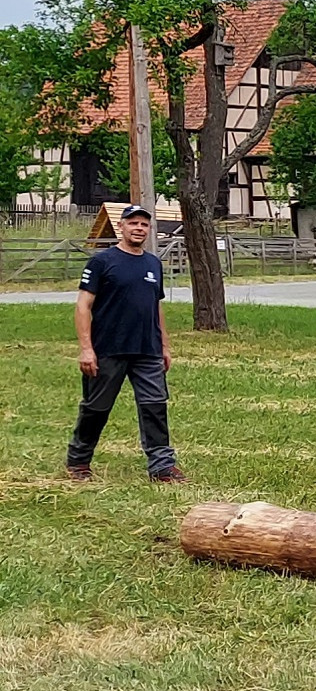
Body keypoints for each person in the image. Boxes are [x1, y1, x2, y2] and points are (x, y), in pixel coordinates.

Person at [67, 204, 183, 483]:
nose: (139, 228)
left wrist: (164, 346)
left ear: (149, 229)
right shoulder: (102, 262)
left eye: (144, 224)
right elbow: (83, 306)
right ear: (121, 226)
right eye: (133, 223)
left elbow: (156, 307)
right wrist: (86, 349)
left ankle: (162, 466)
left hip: (147, 350)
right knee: (96, 407)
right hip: (109, 349)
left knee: (155, 406)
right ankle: (79, 461)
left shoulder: (153, 263)